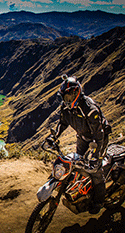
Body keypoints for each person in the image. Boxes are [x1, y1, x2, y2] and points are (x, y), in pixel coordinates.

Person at [48, 74, 111, 214]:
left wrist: (95, 156)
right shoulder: (66, 108)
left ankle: (99, 201)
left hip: (98, 139)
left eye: (69, 97)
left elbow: (99, 134)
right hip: (82, 138)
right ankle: (80, 191)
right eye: (64, 97)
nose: (66, 100)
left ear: (77, 92)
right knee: (77, 163)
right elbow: (62, 123)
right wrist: (55, 136)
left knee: (95, 170)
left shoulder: (89, 109)